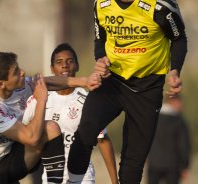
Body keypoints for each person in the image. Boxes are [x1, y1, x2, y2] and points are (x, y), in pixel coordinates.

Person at [67, 0, 187, 183]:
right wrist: (100, 59)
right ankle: (72, 181)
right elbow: (101, 39)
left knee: (134, 160)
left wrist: (175, 70)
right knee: (85, 132)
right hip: (112, 81)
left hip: (148, 88)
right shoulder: (101, 4)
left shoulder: (161, 6)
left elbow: (179, 39)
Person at [0, 51, 101, 184]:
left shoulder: (15, 86)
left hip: (7, 157)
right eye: (16, 72)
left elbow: (47, 83)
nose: (22, 72)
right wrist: (41, 101)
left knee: (50, 128)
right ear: (1, 84)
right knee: (36, 134)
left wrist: (84, 81)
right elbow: (32, 139)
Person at [22, 43, 118, 183]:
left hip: (82, 176)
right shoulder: (39, 98)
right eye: (59, 62)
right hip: (50, 175)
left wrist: (115, 181)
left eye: (69, 61)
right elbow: (24, 133)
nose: (65, 66)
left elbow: (102, 139)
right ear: (52, 68)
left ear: (77, 66)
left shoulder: (88, 100)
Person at [147, 95, 191, 184]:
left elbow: (145, 139)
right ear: (174, 102)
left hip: (154, 162)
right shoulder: (179, 121)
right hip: (173, 165)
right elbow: (184, 145)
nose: (181, 106)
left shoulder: (153, 117)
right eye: (180, 103)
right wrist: (185, 166)